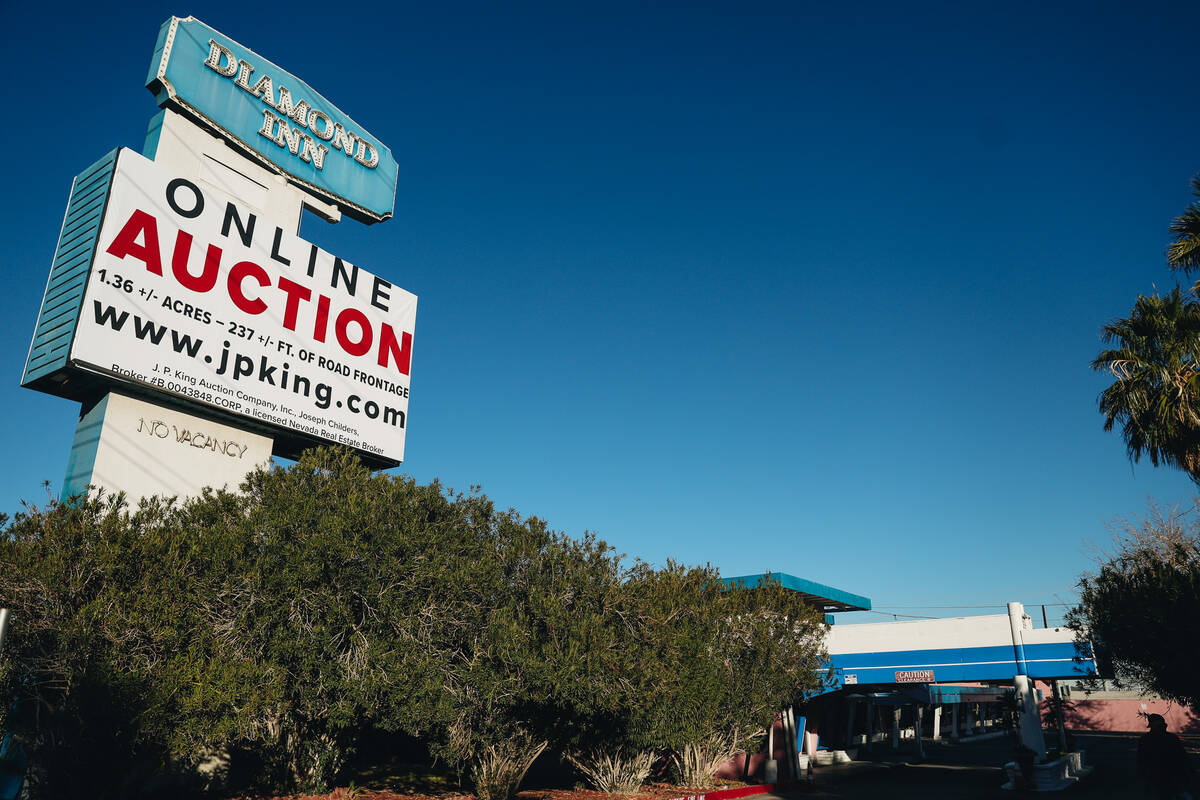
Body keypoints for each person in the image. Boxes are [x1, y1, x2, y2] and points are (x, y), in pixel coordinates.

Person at [1138, 713, 1194, 799]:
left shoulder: (1146, 739)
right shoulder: (1171, 738)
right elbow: (1182, 757)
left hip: (1163, 777)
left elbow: (1141, 760)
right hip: (1164, 777)